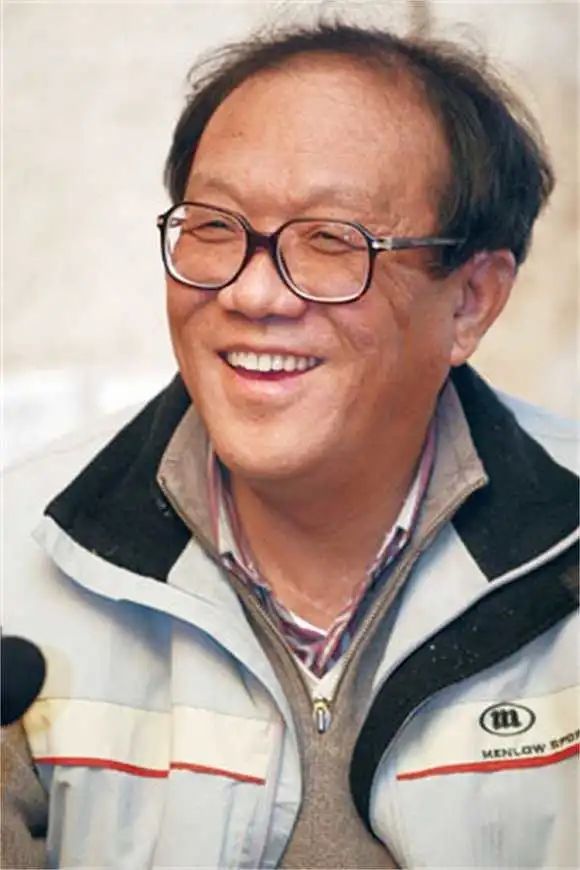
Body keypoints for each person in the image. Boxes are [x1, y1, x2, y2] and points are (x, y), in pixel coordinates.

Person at [2, 20, 578, 870]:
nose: (252, 292)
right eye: (214, 227)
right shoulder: (20, 562)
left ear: (470, 302)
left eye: (331, 241)